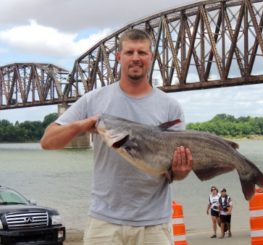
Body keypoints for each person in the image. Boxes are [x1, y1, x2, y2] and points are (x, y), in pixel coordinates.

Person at [40, 29, 193, 245]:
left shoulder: (170, 106)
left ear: (151, 58)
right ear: (119, 57)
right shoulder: (94, 100)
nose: (136, 58)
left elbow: (174, 174)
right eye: (130, 52)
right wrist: (81, 125)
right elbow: (47, 141)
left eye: (142, 52)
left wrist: (180, 171)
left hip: (154, 224)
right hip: (104, 223)